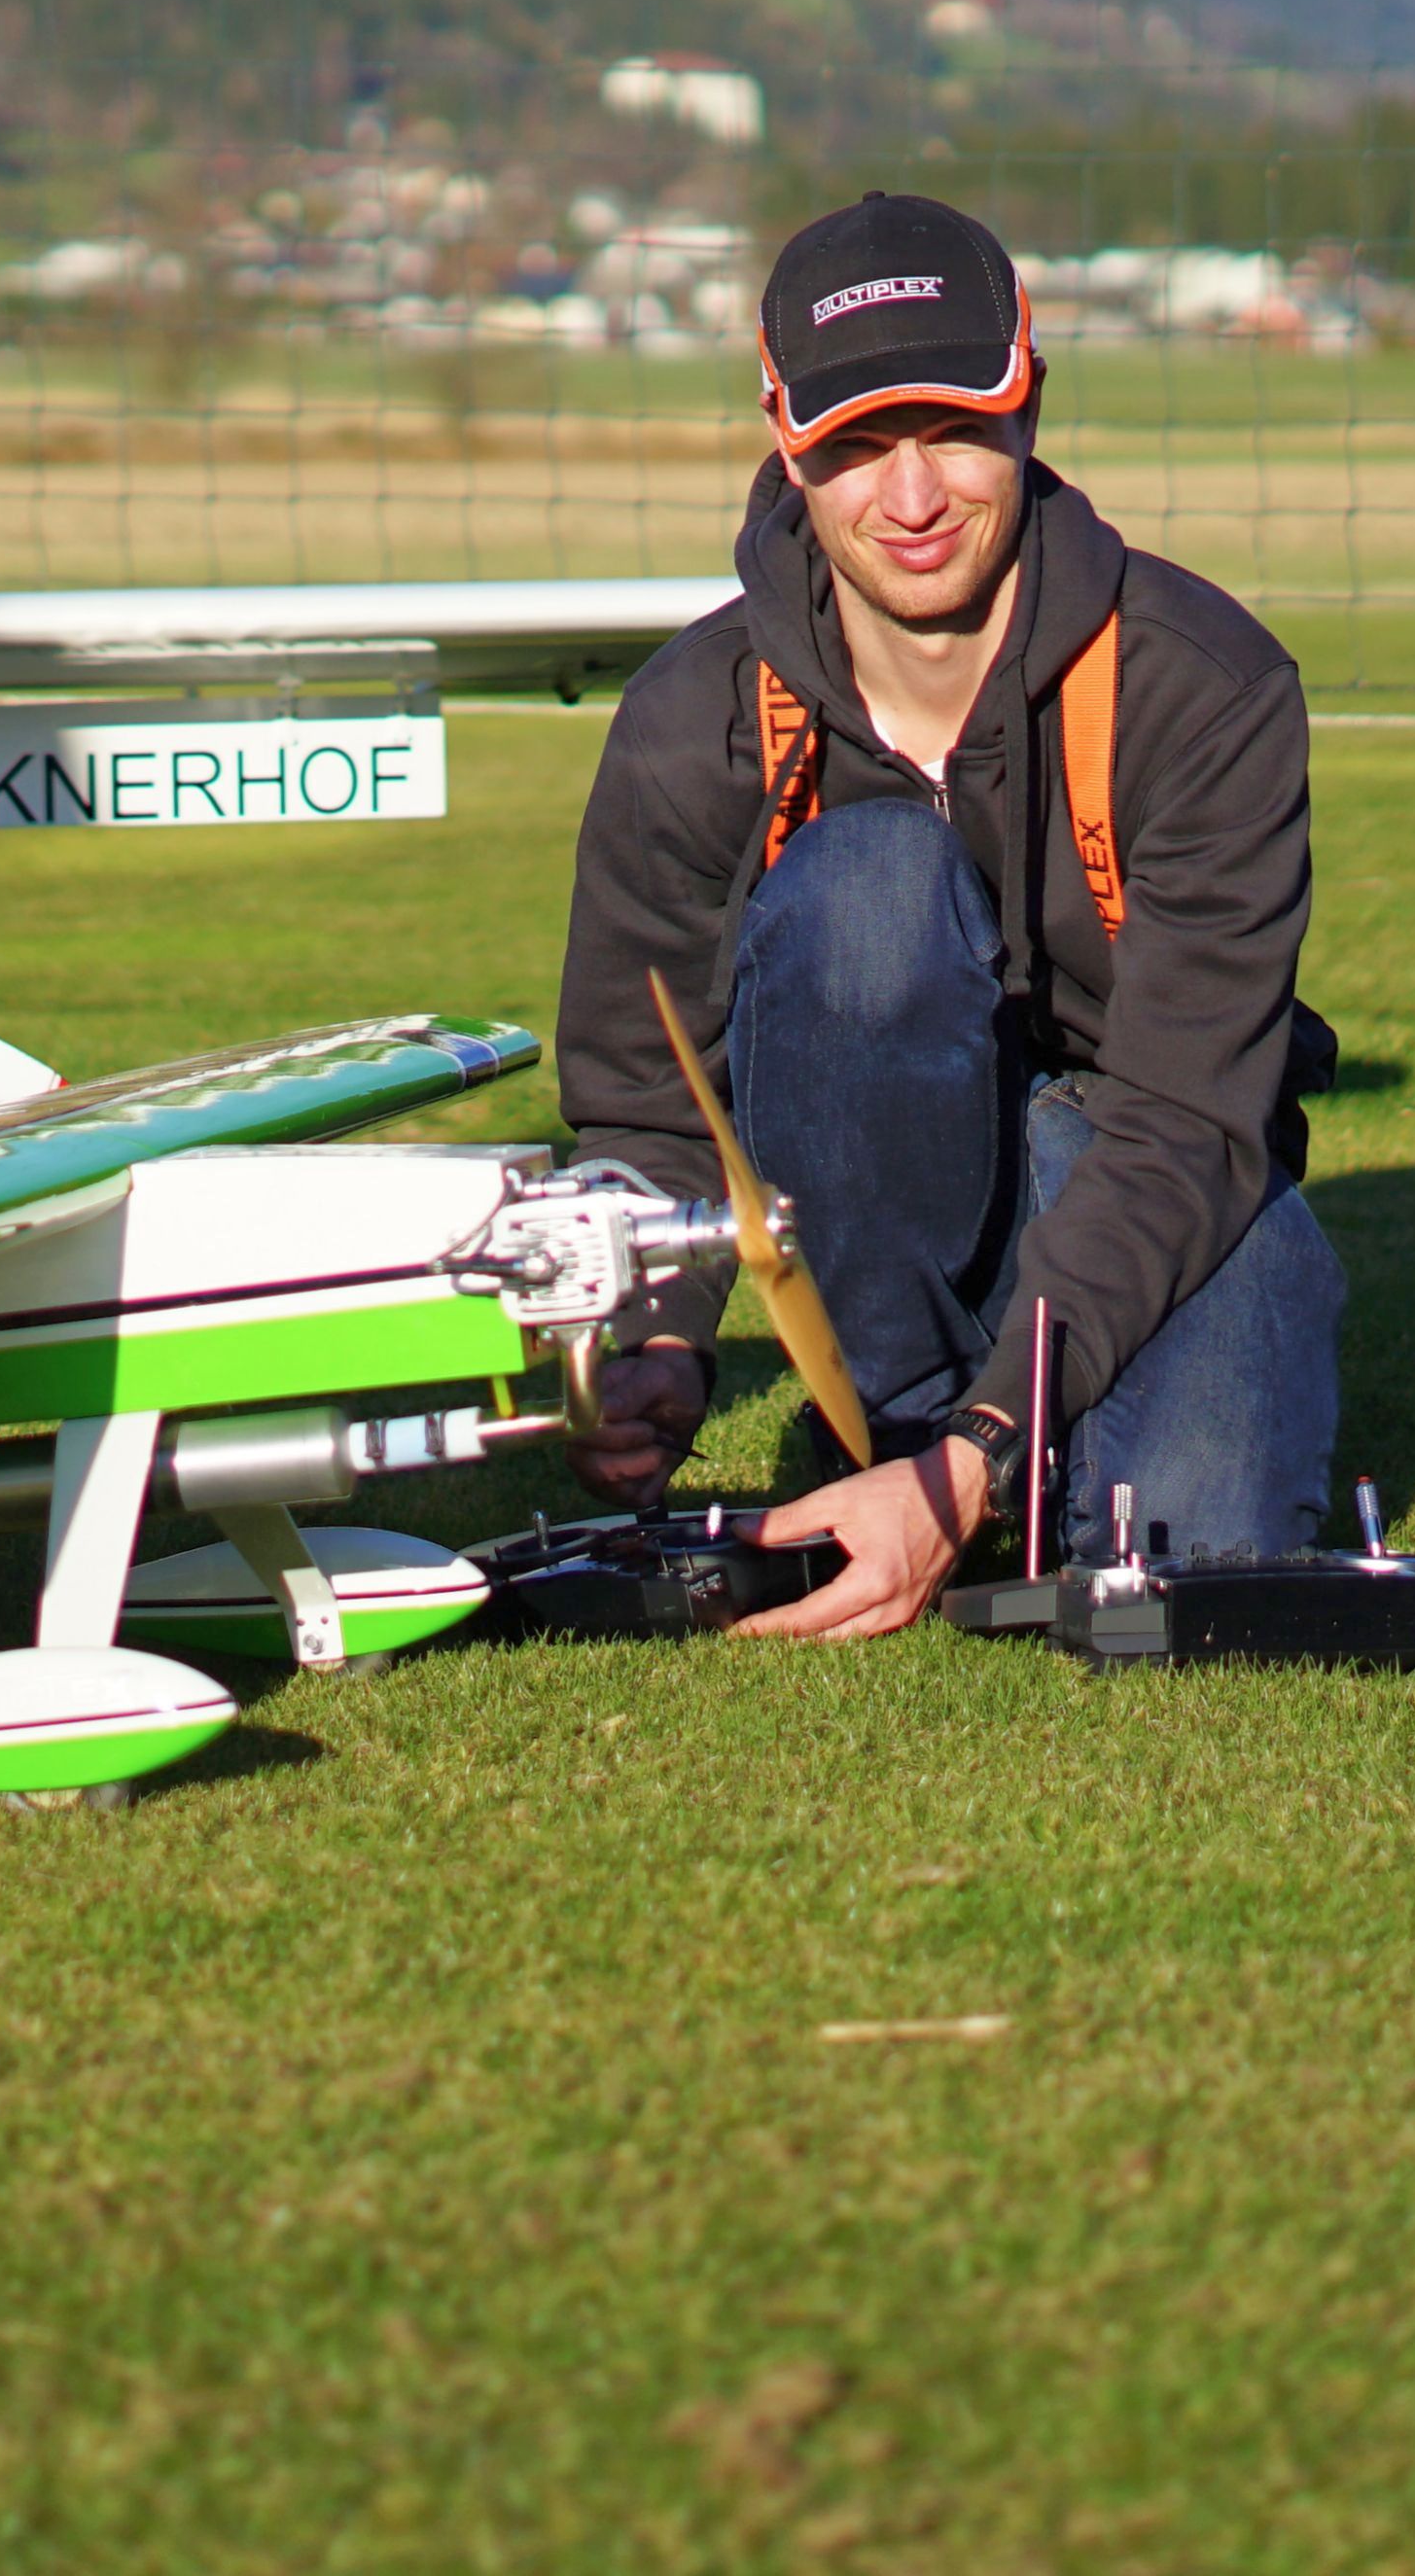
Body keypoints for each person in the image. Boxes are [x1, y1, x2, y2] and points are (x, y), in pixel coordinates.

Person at [554, 193, 1346, 1640]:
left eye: (951, 430)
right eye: (856, 446)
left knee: (1195, 1559)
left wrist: (979, 1457)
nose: (911, 498)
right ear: (784, 438)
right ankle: (887, 1434)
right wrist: (654, 1336)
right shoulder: (690, 726)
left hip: (1139, 1156)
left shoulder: (1206, 690)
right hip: (880, 1208)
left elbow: (1188, 1125)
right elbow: (646, 1110)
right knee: (867, 896)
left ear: (1029, 404)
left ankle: (953, 1468)